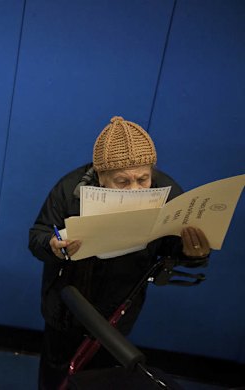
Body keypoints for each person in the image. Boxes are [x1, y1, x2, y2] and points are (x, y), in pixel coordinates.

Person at [28, 116, 211, 389]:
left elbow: (174, 247)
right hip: (67, 305)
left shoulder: (168, 191)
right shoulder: (69, 188)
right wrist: (53, 246)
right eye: (122, 181)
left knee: (104, 378)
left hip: (119, 308)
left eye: (142, 179)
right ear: (100, 175)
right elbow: (37, 236)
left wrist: (193, 253)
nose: (135, 190)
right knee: (56, 377)